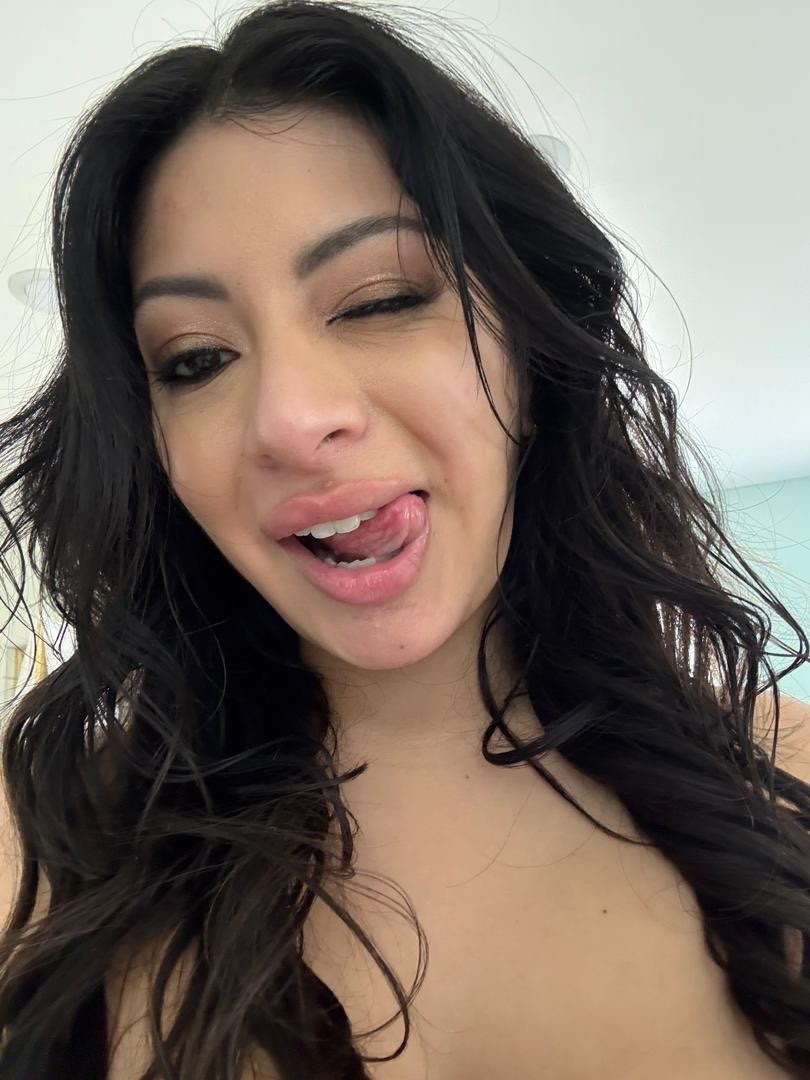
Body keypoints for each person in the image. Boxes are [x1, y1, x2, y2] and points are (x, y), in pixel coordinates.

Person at [0, 2, 808, 1077]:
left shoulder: (783, 778)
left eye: (379, 300)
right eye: (195, 359)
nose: (290, 418)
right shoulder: (38, 841)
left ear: (530, 351)